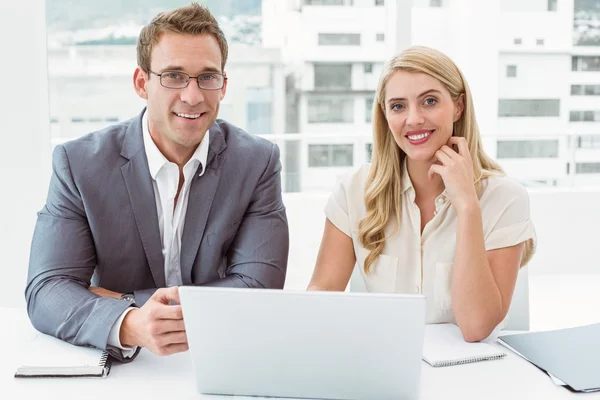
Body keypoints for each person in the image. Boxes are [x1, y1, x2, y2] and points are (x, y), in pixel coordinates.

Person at [25, 3, 289, 362]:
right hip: (125, 365)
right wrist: (131, 323)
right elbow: (47, 290)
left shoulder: (257, 162)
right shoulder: (79, 164)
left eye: (207, 77)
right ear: (141, 83)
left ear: (223, 86)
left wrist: (119, 300)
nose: (193, 96)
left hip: (218, 354)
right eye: (174, 76)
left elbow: (260, 287)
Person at [307, 46, 535, 342]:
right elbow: (321, 298)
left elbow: (477, 327)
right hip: (384, 367)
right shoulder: (353, 190)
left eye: (429, 101)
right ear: (386, 116)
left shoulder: (506, 198)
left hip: (471, 375)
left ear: (458, 106)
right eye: (398, 106)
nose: (413, 119)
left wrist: (467, 206)